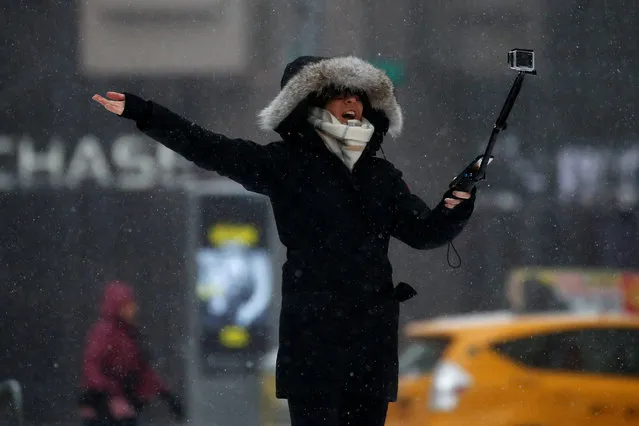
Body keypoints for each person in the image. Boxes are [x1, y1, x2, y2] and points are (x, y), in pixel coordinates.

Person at [92, 55, 476, 426]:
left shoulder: (381, 175)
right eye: (341, 93)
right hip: (313, 345)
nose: (353, 102)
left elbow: (425, 232)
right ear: (312, 102)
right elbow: (208, 148)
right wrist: (145, 113)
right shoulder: (285, 164)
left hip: (370, 349)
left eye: (358, 95)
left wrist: (456, 203)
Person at [78, 280, 184, 426]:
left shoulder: (129, 335)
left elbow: (142, 370)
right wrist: (106, 394)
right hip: (104, 405)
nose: (133, 309)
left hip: (119, 403)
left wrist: (165, 394)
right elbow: (92, 365)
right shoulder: (105, 333)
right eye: (127, 306)